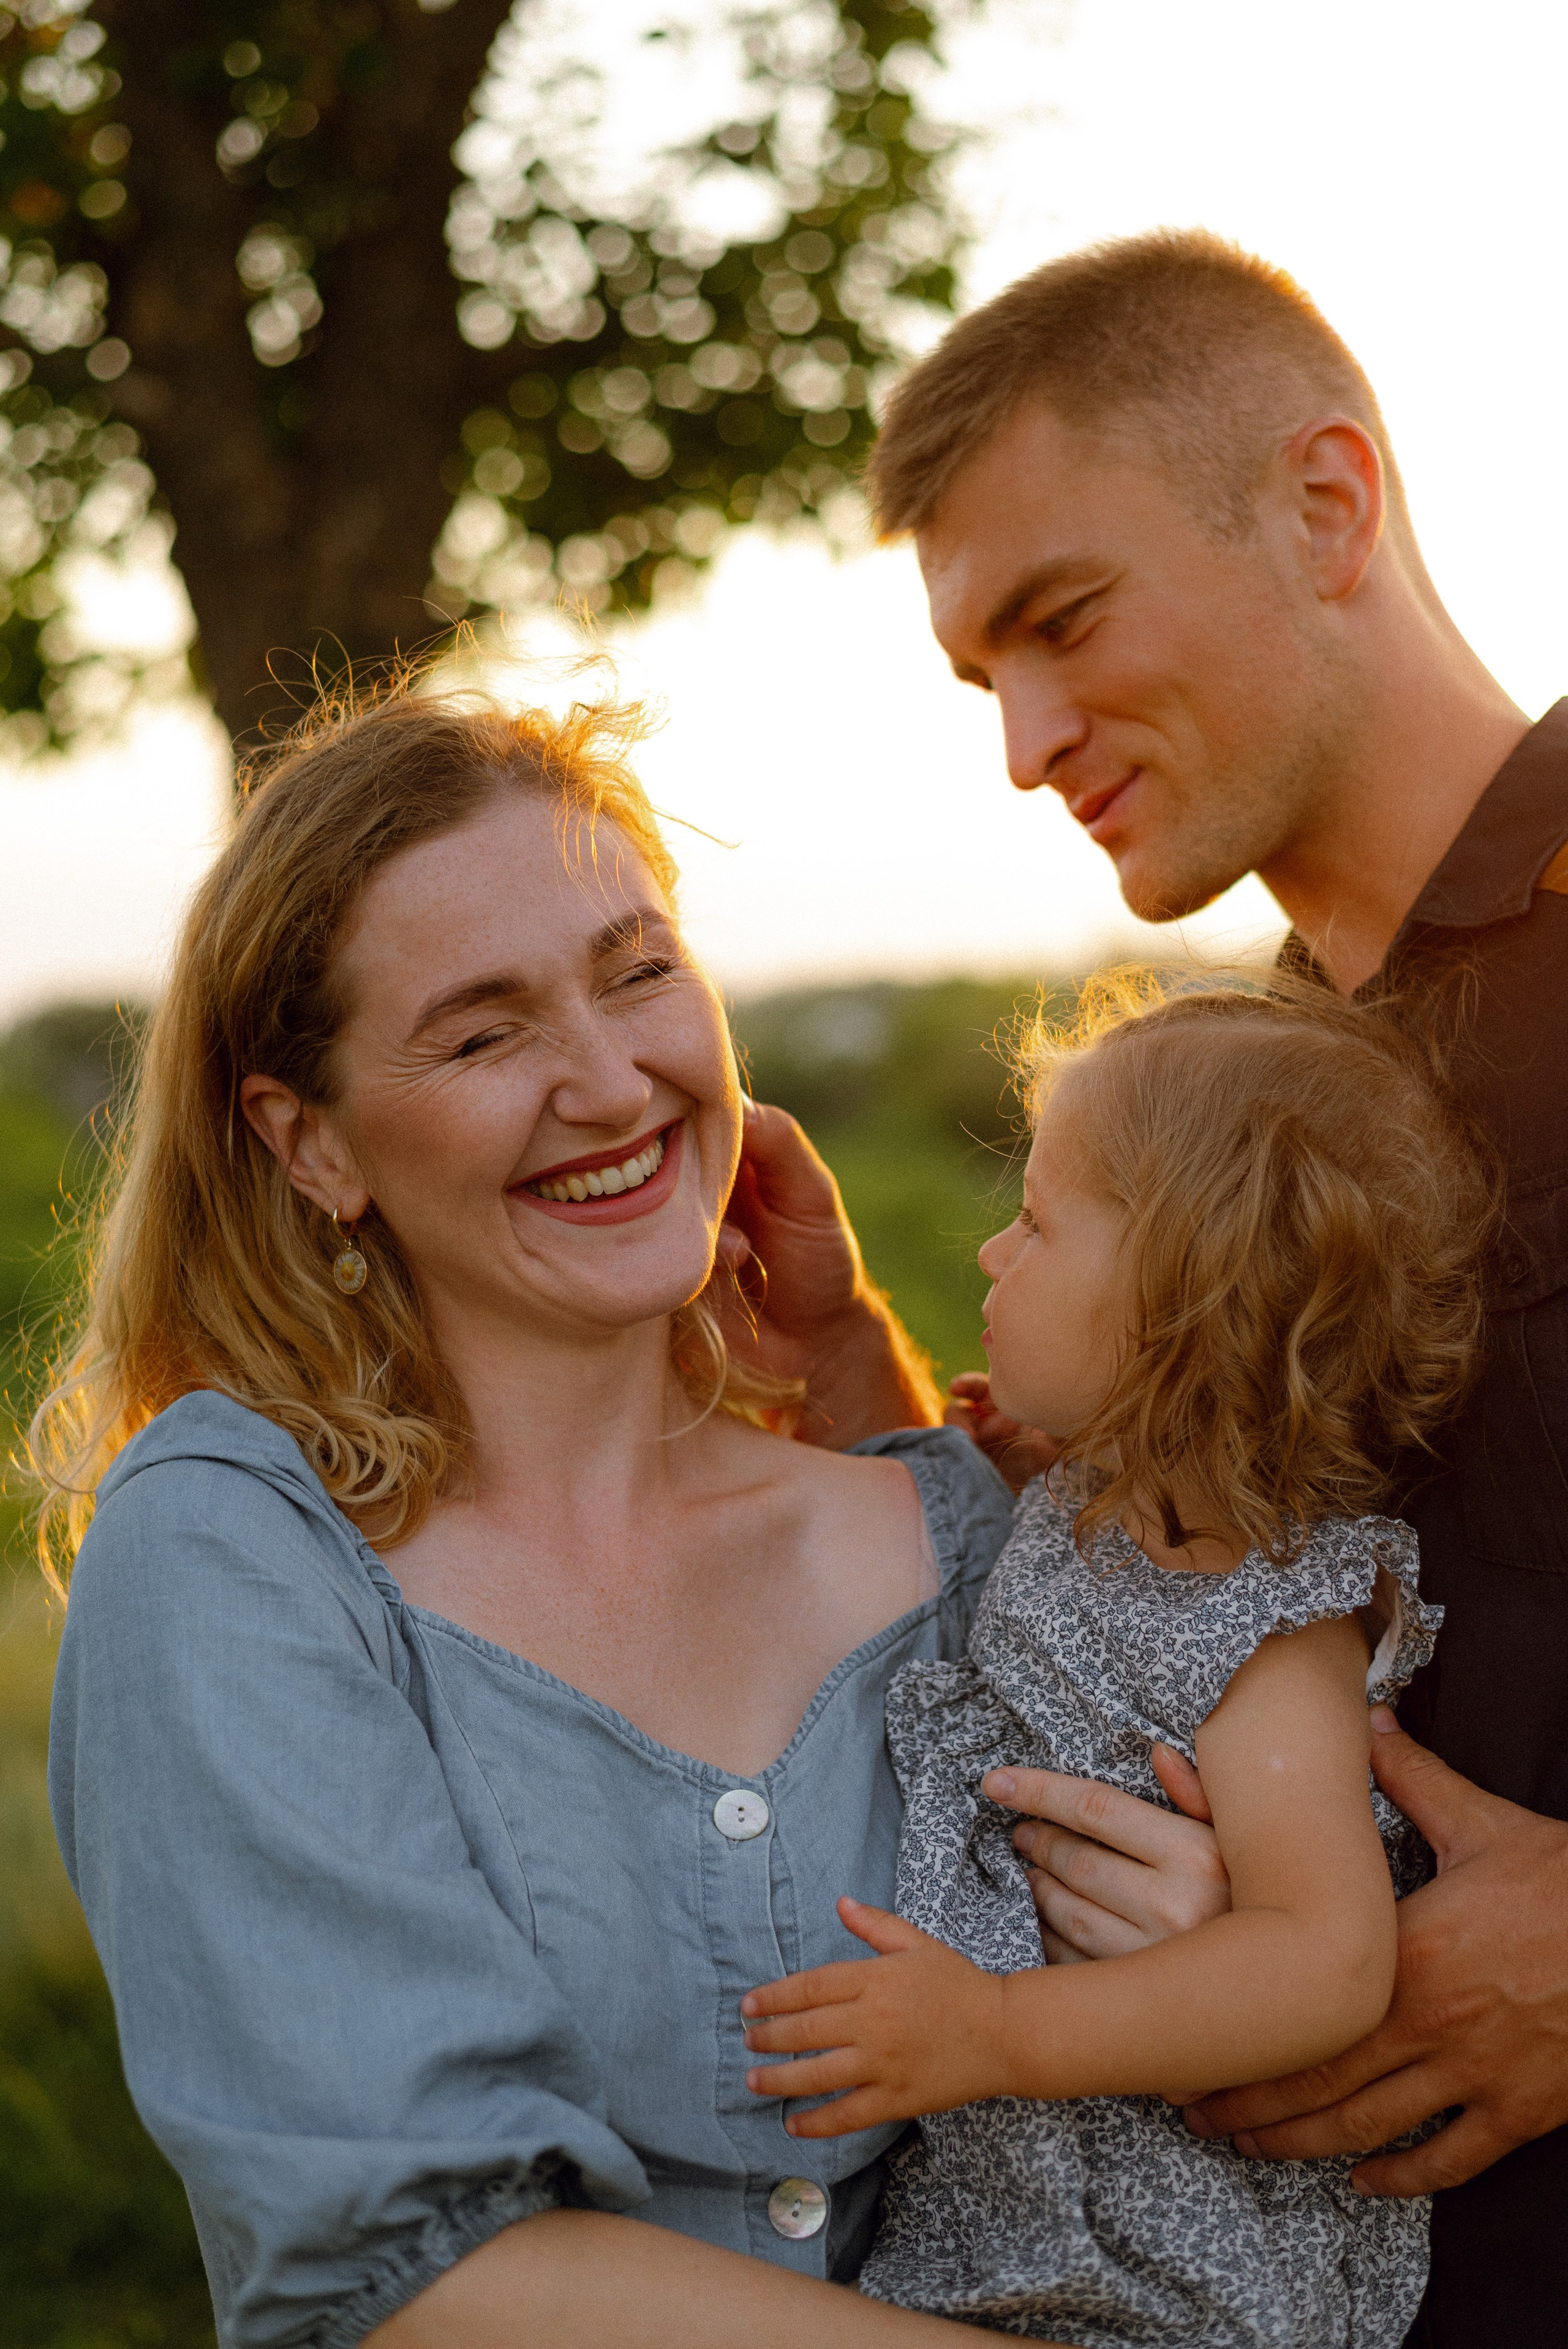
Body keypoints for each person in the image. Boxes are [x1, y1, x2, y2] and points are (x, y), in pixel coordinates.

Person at [33, 681, 1117, 2349]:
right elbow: (418, 2273)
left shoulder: (947, 1531)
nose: (611, 1084)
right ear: (310, 1145)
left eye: (638, 973)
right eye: (484, 1035)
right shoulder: (238, 1553)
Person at [727, 230, 1568, 2344]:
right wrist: (853, 1368)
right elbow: (1165, 1574)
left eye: (1067, 618)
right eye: (981, 678)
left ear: (1326, 507)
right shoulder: (1246, 1098)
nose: (1025, 742)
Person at [741, 975, 1489, 2347]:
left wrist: (996, 2031)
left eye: (1035, 1222)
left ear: (1177, 1307)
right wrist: (1034, 1461)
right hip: (1038, 2212)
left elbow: (1326, 1961)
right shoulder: (1106, 1504)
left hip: (1178, 2265)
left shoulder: (1270, 1630)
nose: (990, 1252)